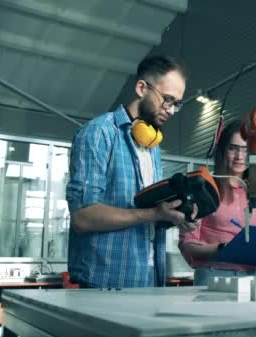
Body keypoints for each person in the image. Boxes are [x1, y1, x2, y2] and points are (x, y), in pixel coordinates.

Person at [66, 55, 199, 288]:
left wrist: (175, 217)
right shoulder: (99, 133)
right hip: (105, 282)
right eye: (168, 100)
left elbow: (149, 218)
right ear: (141, 88)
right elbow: (82, 217)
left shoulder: (152, 147)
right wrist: (154, 214)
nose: (171, 111)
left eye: (177, 104)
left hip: (149, 276)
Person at [178, 120, 256, 285]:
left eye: (246, 150)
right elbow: (187, 244)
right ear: (222, 151)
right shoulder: (204, 188)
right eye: (233, 148)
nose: (240, 156)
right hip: (212, 276)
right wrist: (222, 249)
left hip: (251, 277)